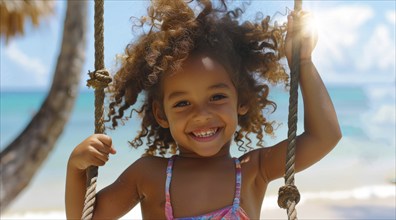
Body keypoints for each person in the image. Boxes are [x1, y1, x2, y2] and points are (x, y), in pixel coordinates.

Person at [65, 0, 341, 219]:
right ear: (161, 114)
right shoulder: (148, 174)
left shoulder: (253, 170)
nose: (201, 114)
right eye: (182, 103)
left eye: (217, 97)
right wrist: (76, 167)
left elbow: (325, 136)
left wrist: (303, 62)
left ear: (241, 101)